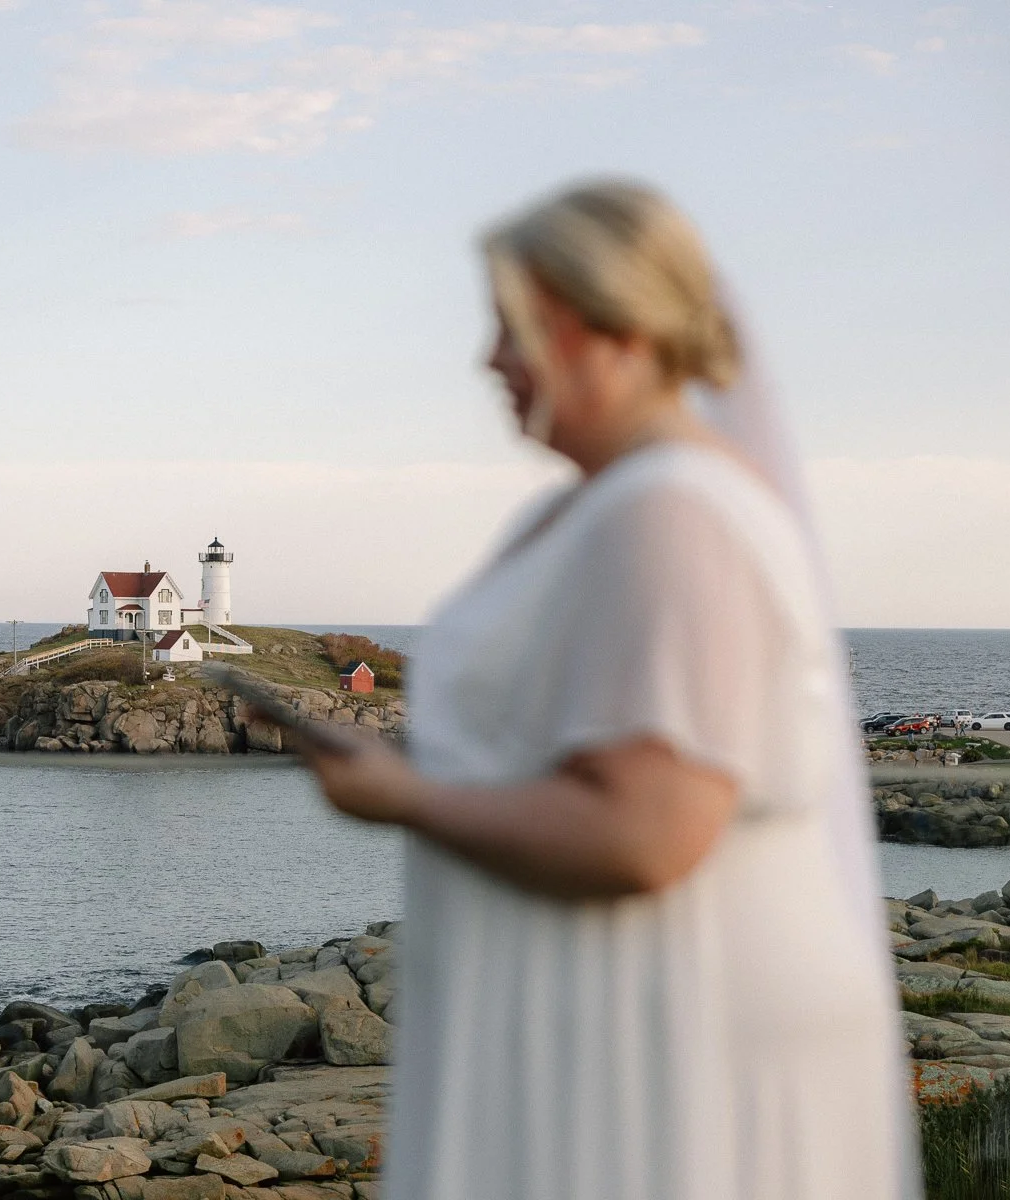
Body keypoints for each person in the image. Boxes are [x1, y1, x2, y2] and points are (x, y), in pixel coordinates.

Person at [304, 181, 916, 1198]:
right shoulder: (599, 508)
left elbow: (648, 829)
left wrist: (407, 797)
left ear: (617, 331)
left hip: (669, 1054)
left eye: (516, 328)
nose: (490, 360)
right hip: (611, 1028)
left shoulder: (674, 515)